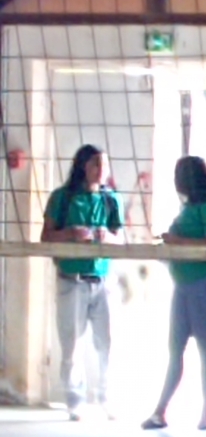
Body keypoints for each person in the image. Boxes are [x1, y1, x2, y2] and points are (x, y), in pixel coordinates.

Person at [141, 157, 206, 432]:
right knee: (175, 348)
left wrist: (177, 242)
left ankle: (205, 412)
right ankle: (160, 411)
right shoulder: (188, 207)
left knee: (204, 346)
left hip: (205, 283)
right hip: (182, 283)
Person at [41, 145, 123, 420]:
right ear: (82, 167)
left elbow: (120, 239)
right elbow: (46, 237)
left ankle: (107, 397)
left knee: (107, 342)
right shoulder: (62, 198)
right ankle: (74, 400)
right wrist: (70, 234)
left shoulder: (111, 200)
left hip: (102, 278)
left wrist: (105, 237)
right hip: (71, 280)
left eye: (104, 165)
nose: (101, 171)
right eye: (95, 165)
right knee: (72, 344)